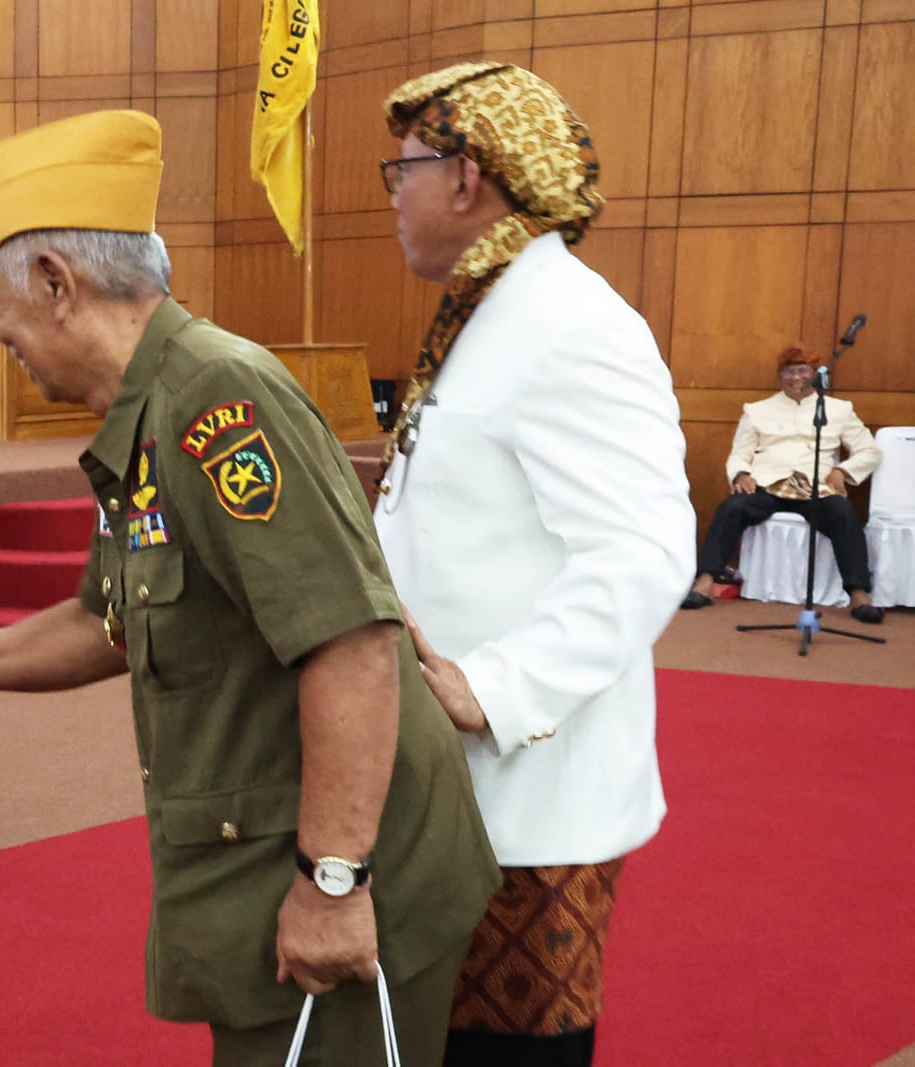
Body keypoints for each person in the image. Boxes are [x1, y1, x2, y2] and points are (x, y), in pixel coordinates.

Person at [0, 110, 501, 1067]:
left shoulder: (218, 402)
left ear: (57, 285)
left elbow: (351, 642)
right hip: (267, 860)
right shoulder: (148, 412)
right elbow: (109, 617)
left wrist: (332, 882)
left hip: (349, 874)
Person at [370, 63, 696, 1066]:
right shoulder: (491, 307)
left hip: (526, 805)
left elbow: (645, 547)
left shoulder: (572, 323)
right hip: (452, 787)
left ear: (467, 176)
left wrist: (494, 684)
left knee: (502, 1056)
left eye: (403, 169)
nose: (392, 194)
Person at [681, 343, 883, 622]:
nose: (796, 377)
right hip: (767, 486)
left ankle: (859, 593)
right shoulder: (757, 410)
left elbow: (870, 451)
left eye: (803, 370)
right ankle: (705, 581)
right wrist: (741, 474)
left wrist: (844, 472)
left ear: (815, 374)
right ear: (780, 375)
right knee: (733, 507)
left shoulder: (838, 409)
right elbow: (740, 453)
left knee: (843, 513)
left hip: (816, 489)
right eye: (789, 371)